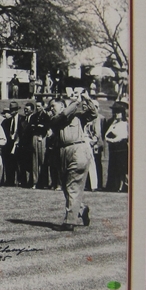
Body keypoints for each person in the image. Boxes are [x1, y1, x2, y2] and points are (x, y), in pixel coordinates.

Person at [49, 84, 97, 230]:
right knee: (66, 187)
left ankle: (70, 221)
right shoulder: (55, 118)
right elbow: (63, 115)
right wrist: (76, 101)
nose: (50, 109)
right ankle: (81, 209)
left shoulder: (77, 116)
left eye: (53, 106)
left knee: (72, 186)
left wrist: (86, 98)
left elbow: (93, 113)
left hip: (78, 150)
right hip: (63, 152)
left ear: (61, 105)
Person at [104, 101, 129, 192]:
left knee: (121, 169)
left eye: (118, 112)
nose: (116, 114)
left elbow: (122, 136)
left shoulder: (125, 124)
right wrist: (109, 139)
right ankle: (114, 186)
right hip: (114, 149)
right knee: (113, 168)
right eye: (115, 112)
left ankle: (122, 187)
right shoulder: (113, 124)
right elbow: (106, 135)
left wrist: (112, 140)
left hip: (121, 148)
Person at [1, 101, 23, 186]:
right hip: (9, 145)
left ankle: (21, 180)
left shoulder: (22, 119)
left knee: (19, 164)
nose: (12, 111)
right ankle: (10, 180)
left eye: (14, 109)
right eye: (11, 109)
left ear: (17, 110)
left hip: (19, 144)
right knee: (9, 163)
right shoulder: (7, 121)